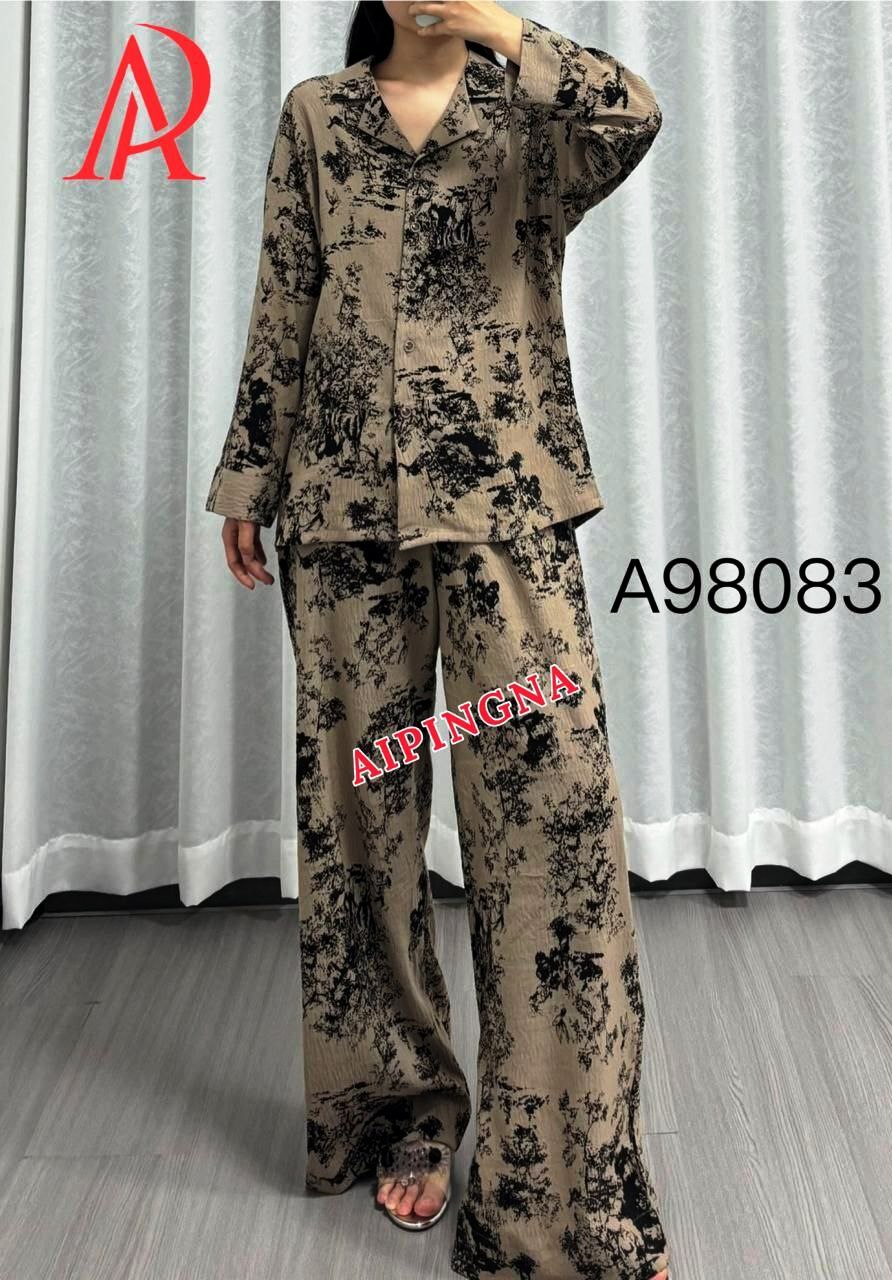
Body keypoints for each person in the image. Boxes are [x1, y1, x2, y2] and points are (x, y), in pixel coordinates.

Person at [205, 2, 668, 1276]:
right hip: (341, 512)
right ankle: (403, 1110)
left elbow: (634, 115)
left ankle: (563, 1182)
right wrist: (249, 477)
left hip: (509, 508)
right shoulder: (318, 115)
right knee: (365, 817)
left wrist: (503, 30)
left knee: (554, 820)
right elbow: (286, 294)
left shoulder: (536, 109)